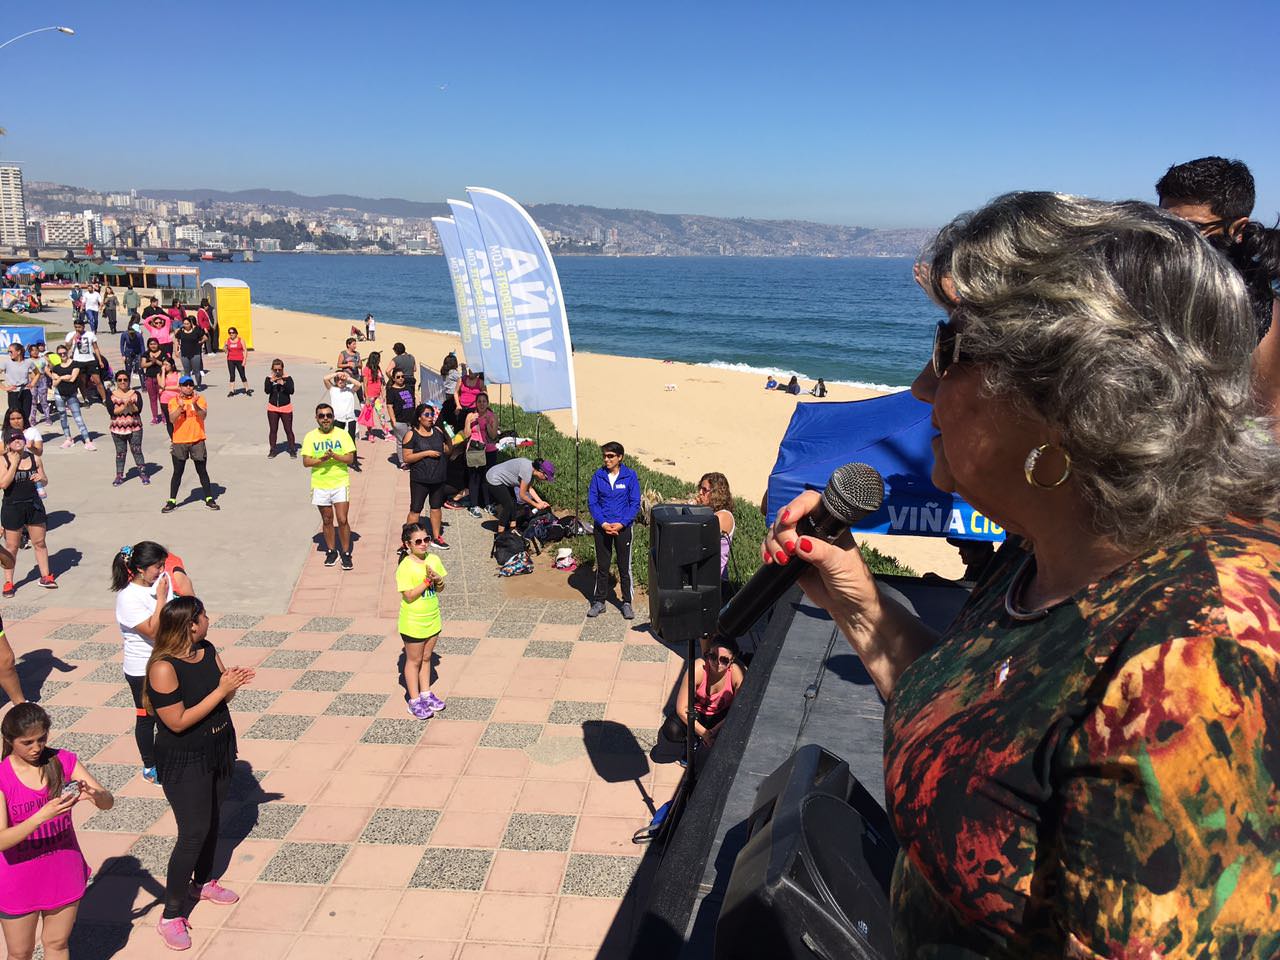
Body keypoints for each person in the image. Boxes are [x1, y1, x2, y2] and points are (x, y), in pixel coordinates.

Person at [765, 192, 1280, 956]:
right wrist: (860, 605)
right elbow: (982, 723)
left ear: (1071, 396)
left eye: (950, 349)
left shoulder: (1198, 665)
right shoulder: (1051, 552)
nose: (921, 386)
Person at [144, 596, 252, 952]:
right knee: (192, 832)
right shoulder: (163, 667)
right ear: (190, 623)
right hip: (185, 758)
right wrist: (222, 690)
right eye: (203, 615)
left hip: (218, 747)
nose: (208, 619)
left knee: (214, 820)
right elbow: (176, 722)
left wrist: (231, 684)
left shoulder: (206, 648)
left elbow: (224, 698)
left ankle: (202, 883)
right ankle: (170, 914)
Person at [1156, 156, 1280, 427]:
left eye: (1190, 229)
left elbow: (1273, 418)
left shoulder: (1262, 313)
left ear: (1237, 229)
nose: (1171, 239)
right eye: (1164, 224)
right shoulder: (1148, 286)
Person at [0, 703, 114, 960]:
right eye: (27, 742)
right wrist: (42, 816)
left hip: (63, 871)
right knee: (19, 953)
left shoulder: (64, 760)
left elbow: (108, 803)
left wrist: (95, 794)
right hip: (17, 879)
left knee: (57, 943)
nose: (36, 748)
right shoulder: (2, 778)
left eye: (41, 739)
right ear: (9, 740)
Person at [112, 541, 173, 783]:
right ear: (140, 568)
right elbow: (152, 630)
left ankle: (171, 757)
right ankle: (150, 765)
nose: (161, 571)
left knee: (170, 714)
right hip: (141, 669)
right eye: (157, 566)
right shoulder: (127, 597)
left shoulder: (159, 583)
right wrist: (160, 599)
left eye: (163, 565)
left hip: (165, 661)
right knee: (147, 716)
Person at [395, 522, 447, 719]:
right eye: (418, 541)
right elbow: (408, 595)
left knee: (427, 658)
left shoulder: (433, 559)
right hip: (413, 621)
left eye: (427, 539)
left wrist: (438, 580)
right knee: (414, 660)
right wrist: (426, 582)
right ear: (407, 544)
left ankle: (426, 694)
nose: (424, 544)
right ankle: (414, 700)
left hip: (432, 617)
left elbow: (440, 588)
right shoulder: (405, 566)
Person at [661, 638, 744, 752]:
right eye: (713, 656)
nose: (717, 663)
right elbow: (681, 709)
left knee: (738, 731)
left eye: (724, 660)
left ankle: (703, 739)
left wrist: (714, 731)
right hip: (697, 713)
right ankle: (693, 740)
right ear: (708, 654)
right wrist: (704, 733)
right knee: (672, 730)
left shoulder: (737, 673)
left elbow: (737, 711)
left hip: (721, 716)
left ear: (732, 660)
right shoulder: (698, 669)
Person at [587, 442, 640, 619]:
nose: (606, 459)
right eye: (605, 456)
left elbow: (634, 504)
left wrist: (622, 523)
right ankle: (599, 601)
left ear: (620, 457)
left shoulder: (630, 476)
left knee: (624, 567)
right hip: (602, 529)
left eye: (610, 456)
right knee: (603, 566)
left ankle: (626, 602)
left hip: (622, 529)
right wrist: (603, 523)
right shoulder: (598, 476)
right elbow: (592, 502)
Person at [302, 402, 356, 570]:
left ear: (333, 418)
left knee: (342, 519)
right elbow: (306, 461)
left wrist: (335, 456)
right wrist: (322, 460)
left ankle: (346, 553)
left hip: (340, 482)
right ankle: (332, 551)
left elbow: (350, 459)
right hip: (320, 484)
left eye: (328, 415)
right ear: (317, 418)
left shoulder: (342, 435)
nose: (325, 419)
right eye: (322, 416)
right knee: (327, 519)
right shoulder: (310, 437)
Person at [0, 430, 54, 594]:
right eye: (14, 439)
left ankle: (46, 576)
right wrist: (15, 464)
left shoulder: (34, 457)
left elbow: (45, 480)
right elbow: (3, 484)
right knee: (12, 546)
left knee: (39, 542)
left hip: (33, 505)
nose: (17, 441)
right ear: (8, 443)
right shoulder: (3, 460)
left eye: (20, 438)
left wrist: (41, 479)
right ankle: (9, 582)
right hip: (12, 506)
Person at [163, 376, 219, 513]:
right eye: (185, 385)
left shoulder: (200, 399)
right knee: (177, 472)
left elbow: (203, 416)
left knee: (202, 471)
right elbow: (171, 419)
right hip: (180, 441)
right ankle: (172, 501)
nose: (188, 387)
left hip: (197, 440)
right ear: (180, 387)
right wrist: (181, 407)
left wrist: (194, 404)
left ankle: (209, 498)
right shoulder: (173, 401)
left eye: (190, 384)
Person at [402, 403, 451, 549]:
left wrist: (449, 437)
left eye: (432, 415)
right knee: (416, 509)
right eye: (427, 415)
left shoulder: (438, 431)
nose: (430, 418)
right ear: (419, 418)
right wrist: (426, 453)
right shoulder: (411, 434)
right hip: (420, 479)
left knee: (436, 507)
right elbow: (407, 458)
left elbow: (447, 451)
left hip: (438, 477)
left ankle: (436, 537)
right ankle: (408, 541)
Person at [485, 457, 553, 535]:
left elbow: (529, 489)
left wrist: (541, 502)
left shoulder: (532, 469)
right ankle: (500, 534)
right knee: (508, 505)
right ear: (541, 472)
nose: (546, 480)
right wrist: (536, 505)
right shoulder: (527, 472)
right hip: (494, 478)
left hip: (503, 478)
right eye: (546, 478)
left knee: (513, 501)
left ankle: (512, 528)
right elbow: (522, 495)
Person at [695, 472, 735, 598]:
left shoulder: (723, 516)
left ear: (716, 493)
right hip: (704, 577)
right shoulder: (710, 514)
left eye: (705, 490)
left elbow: (699, 537)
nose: (700, 493)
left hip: (716, 580)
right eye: (700, 489)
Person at [109, 370, 149, 487]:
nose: (123, 382)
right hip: (117, 429)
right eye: (120, 380)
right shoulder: (111, 395)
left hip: (135, 427)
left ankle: (142, 473)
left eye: (125, 380)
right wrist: (124, 406)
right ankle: (119, 475)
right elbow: (112, 411)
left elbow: (138, 410)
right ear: (116, 381)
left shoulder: (135, 394)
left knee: (137, 451)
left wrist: (130, 405)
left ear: (129, 381)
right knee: (120, 453)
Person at [463, 391, 499, 518]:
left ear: (487, 403)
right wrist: (469, 422)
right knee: (474, 478)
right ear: (476, 404)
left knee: (487, 478)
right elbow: (466, 435)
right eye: (479, 401)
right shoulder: (470, 416)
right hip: (474, 450)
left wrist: (489, 423)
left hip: (489, 450)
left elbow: (493, 435)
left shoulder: (492, 416)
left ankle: (488, 503)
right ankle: (474, 505)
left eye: (484, 401)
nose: (482, 404)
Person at [47, 349, 92, 450]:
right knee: (63, 416)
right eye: (60, 354)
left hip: (71, 394)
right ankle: (68, 439)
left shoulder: (75, 364)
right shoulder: (56, 368)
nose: (63, 355)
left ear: (67, 353)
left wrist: (59, 378)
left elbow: (72, 378)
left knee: (78, 417)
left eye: (64, 353)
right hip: (59, 394)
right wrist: (62, 378)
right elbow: (54, 383)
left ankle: (87, 440)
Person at [323, 370, 362, 470]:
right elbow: (325, 378)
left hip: (350, 419)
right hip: (338, 420)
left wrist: (347, 377)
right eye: (338, 380)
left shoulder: (350, 389)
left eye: (342, 380)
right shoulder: (332, 389)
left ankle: (354, 461)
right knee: (337, 441)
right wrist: (337, 374)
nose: (340, 381)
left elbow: (358, 384)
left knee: (351, 441)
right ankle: (337, 460)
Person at [63, 318, 107, 406]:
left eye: (79, 327)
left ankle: (104, 399)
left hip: (90, 360)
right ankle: (86, 399)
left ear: (83, 326)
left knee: (97, 380)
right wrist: (73, 339)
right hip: (78, 361)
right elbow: (67, 348)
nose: (77, 329)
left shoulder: (90, 334)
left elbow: (96, 348)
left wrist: (100, 360)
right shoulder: (71, 335)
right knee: (81, 381)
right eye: (76, 327)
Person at [264, 358, 297, 458]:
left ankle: (292, 449)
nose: (277, 372)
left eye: (279, 369)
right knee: (273, 430)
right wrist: (271, 381)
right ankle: (273, 450)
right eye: (275, 370)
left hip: (286, 408)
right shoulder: (268, 379)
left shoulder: (288, 378)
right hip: (273, 408)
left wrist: (283, 383)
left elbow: (291, 391)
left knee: (288, 429)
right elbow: (267, 391)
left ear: (283, 369)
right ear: (272, 369)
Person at [386, 368, 417, 469]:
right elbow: (389, 406)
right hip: (399, 421)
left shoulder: (408, 388)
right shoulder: (391, 391)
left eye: (402, 377)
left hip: (411, 419)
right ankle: (402, 461)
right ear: (394, 379)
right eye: (398, 377)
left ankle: (411, 458)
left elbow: (413, 401)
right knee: (401, 441)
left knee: (411, 440)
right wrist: (393, 420)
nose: (401, 379)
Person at [360, 352, 392, 441]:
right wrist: (366, 398)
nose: (379, 361)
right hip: (369, 397)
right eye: (378, 359)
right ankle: (370, 433)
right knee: (368, 416)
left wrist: (383, 394)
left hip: (377, 396)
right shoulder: (366, 369)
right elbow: (365, 384)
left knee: (381, 415)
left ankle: (386, 433)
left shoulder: (378, 369)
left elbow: (380, 382)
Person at [2, 342, 35, 423]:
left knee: (25, 416)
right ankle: (16, 434)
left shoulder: (28, 362)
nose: (9, 354)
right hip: (14, 392)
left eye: (11, 351)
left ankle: (24, 433)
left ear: (19, 352)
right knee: (15, 416)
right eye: (8, 352)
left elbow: (37, 373)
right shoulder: (7, 363)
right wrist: (5, 388)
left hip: (26, 391)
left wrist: (33, 383)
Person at [173, 316, 206, 389]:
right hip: (184, 353)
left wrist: (200, 342)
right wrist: (176, 350)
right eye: (184, 324)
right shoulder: (181, 331)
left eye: (187, 324)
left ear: (190, 324)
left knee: (197, 371)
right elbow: (176, 340)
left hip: (195, 353)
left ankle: (199, 384)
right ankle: (189, 386)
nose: (186, 325)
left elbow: (205, 337)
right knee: (186, 371)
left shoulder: (196, 330)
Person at [140, 337, 165, 424]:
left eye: (154, 344)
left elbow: (165, 364)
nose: (153, 346)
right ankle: (155, 417)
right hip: (149, 378)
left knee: (162, 397)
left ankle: (164, 416)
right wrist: (151, 363)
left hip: (161, 378)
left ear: (158, 344)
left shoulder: (163, 353)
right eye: (151, 344)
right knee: (152, 398)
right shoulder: (146, 354)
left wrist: (156, 361)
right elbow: (143, 365)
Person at [157, 355, 181, 438]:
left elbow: (178, 387)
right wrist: (163, 372)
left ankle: (179, 435)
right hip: (165, 400)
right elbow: (162, 384)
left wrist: (165, 388)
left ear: (172, 365)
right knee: (169, 420)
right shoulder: (159, 375)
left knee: (178, 419)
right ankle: (173, 438)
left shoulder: (178, 374)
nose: (165, 366)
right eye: (163, 365)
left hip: (176, 399)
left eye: (167, 365)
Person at [27, 344, 50, 427]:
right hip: (32, 382)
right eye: (33, 350)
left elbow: (47, 369)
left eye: (36, 350)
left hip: (42, 380)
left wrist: (52, 377)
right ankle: (33, 419)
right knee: (33, 402)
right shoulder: (28, 361)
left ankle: (48, 417)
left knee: (44, 401)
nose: (35, 352)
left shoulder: (43, 359)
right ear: (29, 352)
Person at [455, 365, 484, 432]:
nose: (470, 372)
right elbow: (456, 393)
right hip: (461, 407)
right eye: (470, 371)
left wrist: (479, 409)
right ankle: (459, 441)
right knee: (459, 428)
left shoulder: (480, 383)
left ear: (477, 373)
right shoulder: (462, 379)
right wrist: (458, 405)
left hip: (473, 409)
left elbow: (484, 396)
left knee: (469, 429)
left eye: (473, 372)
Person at [223, 327, 249, 397]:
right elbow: (226, 352)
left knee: (242, 375)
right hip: (230, 360)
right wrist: (225, 348)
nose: (231, 334)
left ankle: (247, 389)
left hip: (239, 359)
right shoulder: (227, 341)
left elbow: (245, 350)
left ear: (236, 333)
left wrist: (244, 360)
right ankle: (231, 390)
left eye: (232, 333)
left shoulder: (241, 340)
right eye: (230, 333)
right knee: (232, 375)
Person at [119, 321, 145, 389]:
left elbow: (142, 346)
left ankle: (143, 385)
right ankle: (128, 386)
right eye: (130, 333)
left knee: (140, 369)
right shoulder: (124, 334)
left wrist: (143, 356)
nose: (132, 335)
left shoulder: (138, 335)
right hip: (128, 352)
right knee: (128, 369)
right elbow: (122, 345)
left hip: (137, 352)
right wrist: (123, 355)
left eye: (133, 333)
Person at [439, 353, 461, 427]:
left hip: (447, 394)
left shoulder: (445, 371)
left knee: (448, 413)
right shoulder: (453, 372)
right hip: (453, 396)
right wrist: (464, 369)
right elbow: (462, 378)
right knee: (454, 414)